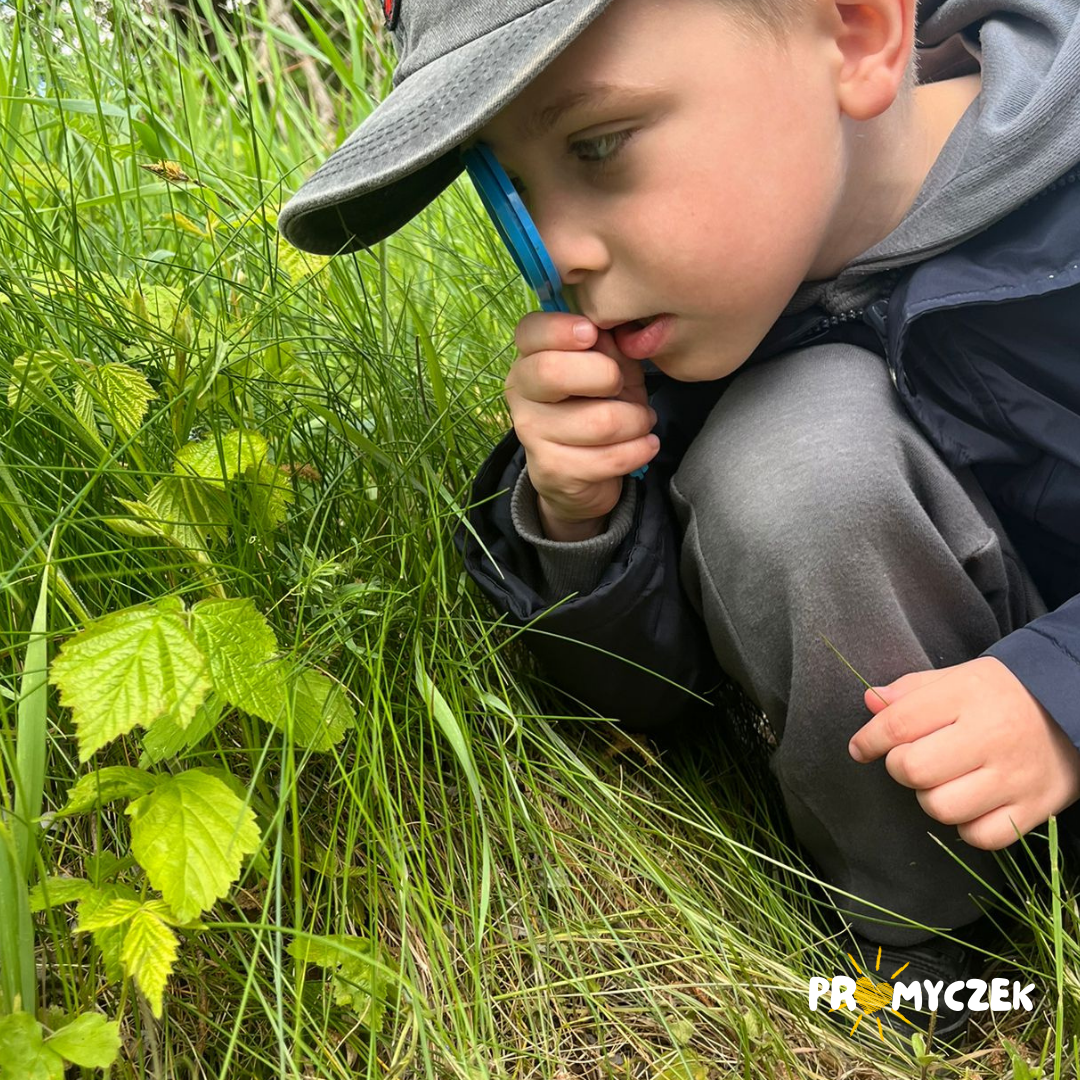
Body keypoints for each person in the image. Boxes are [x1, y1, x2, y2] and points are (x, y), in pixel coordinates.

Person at [278, 0, 1080, 1044]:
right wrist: (582, 520)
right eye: (509, 189)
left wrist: (1058, 694)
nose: (558, 253)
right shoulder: (706, 318)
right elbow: (657, 703)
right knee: (792, 458)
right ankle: (927, 955)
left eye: (598, 145)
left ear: (855, 34)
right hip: (956, 798)